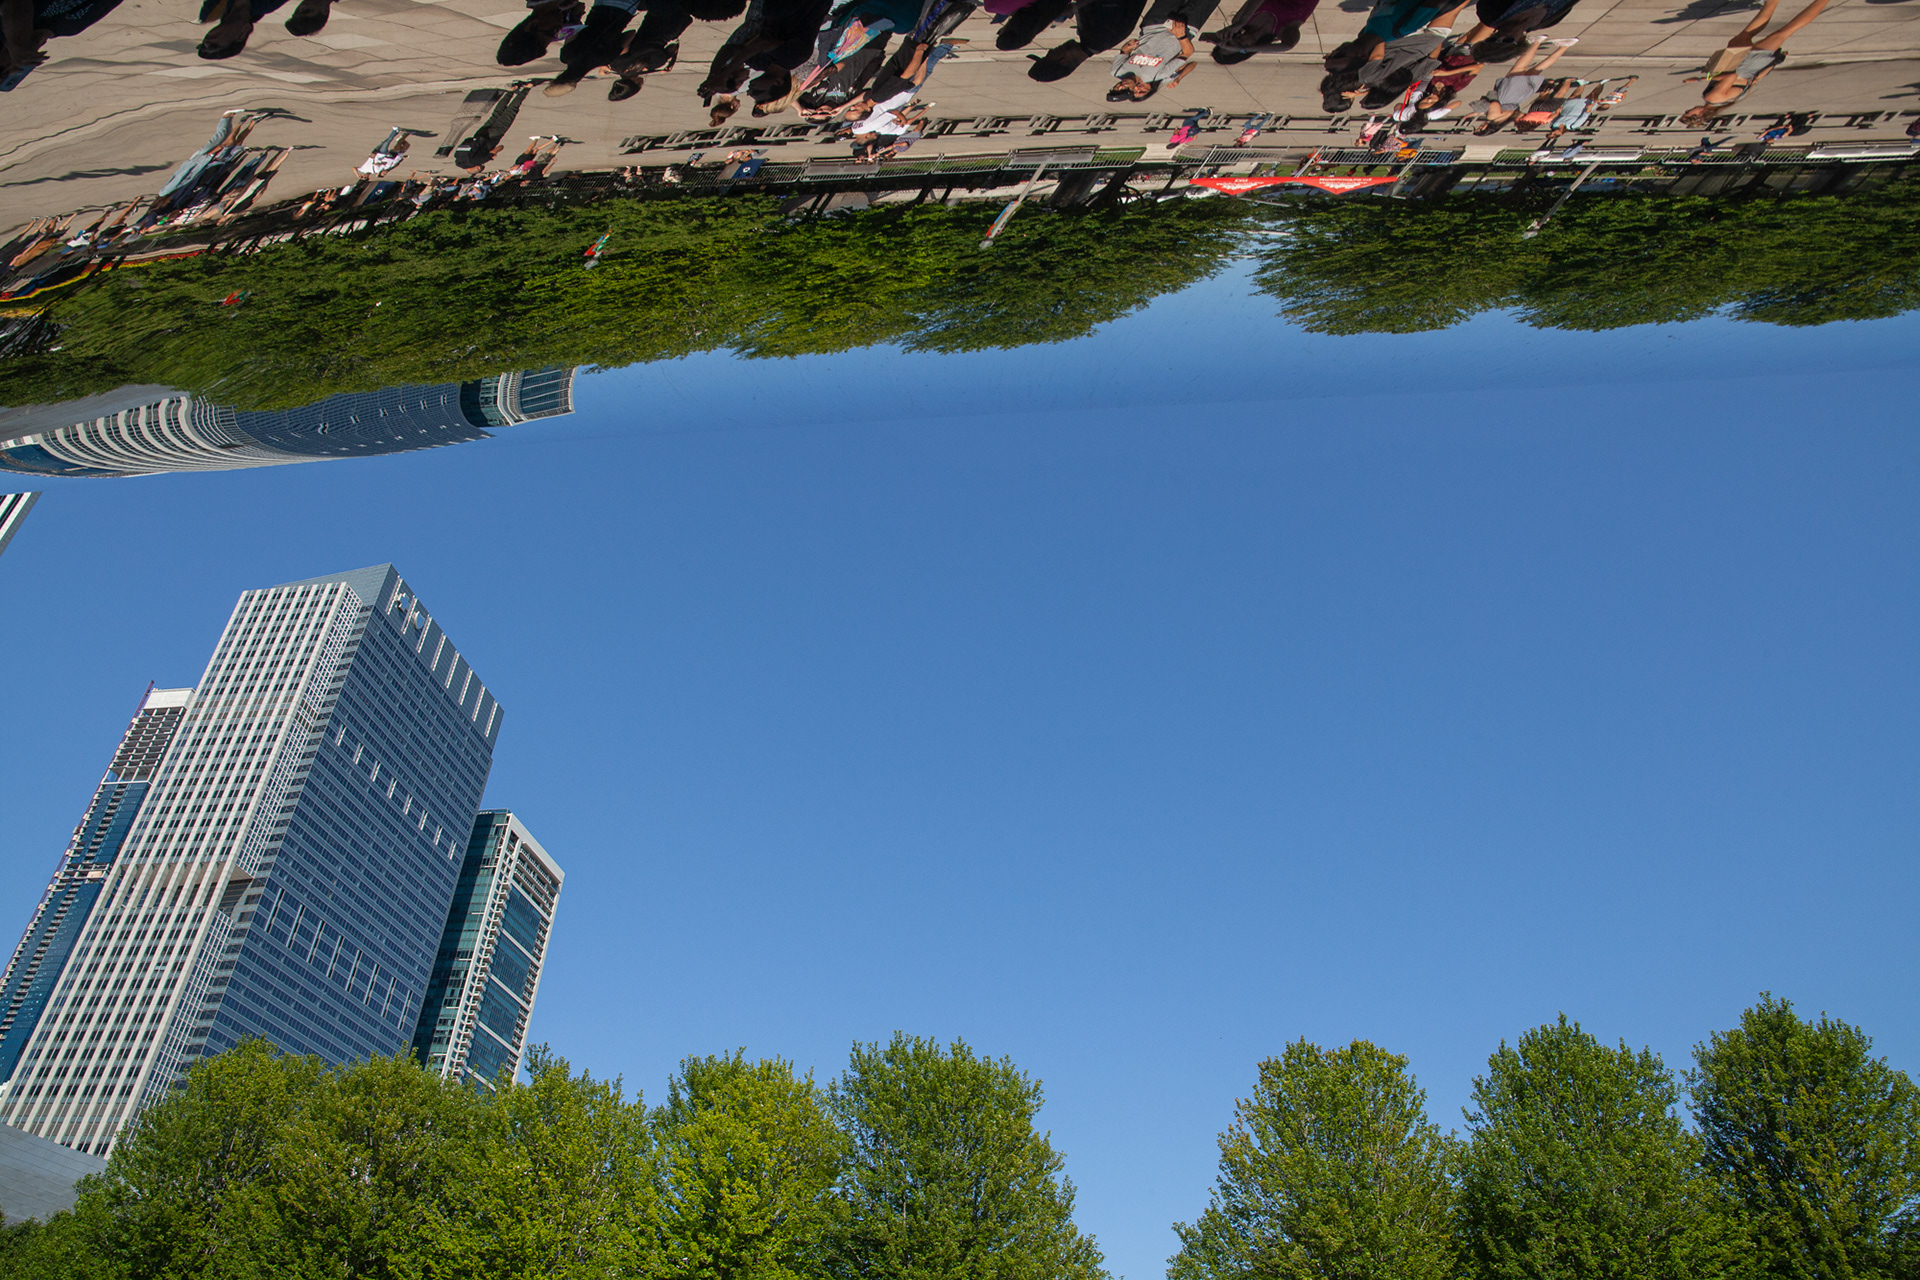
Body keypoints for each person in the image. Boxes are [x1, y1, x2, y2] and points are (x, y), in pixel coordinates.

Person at [1679, 0, 1830, 129]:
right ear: (1698, 115)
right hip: (1746, 63)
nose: (1688, 109)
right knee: (1785, 31)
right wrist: (1700, 79)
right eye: (1688, 112)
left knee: (1750, 35)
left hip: (1754, 66)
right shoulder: (1713, 98)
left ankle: (1771, 2)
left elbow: (1754, 81)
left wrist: (1774, 62)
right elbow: (1732, 77)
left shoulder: (1727, 103)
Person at [994, 0, 1150, 83]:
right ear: (1063, 59)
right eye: (1049, 54)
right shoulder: (1102, 35)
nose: (1052, 50)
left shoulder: (1093, 39)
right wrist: (1073, 7)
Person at [1458, 34, 1572, 133]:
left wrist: (1478, 112)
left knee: (1539, 68)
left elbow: (1504, 111)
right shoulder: (1491, 117)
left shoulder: (1503, 120)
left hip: (1520, 96)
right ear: (1488, 129)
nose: (1480, 126)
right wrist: (1480, 107)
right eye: (1480, 128)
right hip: (1508, 93)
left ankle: (1564, 46)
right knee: (1520, 66)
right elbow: (1494, 105)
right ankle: (1537, 42)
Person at [2, 0, 125, 76]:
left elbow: (16, 6)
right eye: (5, 75)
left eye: (2, 70)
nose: (13, 69)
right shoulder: (69, 27)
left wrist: (18, 41)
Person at [195, 0, 333, 59]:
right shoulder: (268, 4)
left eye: (202, 45)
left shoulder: (209, 13)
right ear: (241, 35)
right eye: (213, 46)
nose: (206, 42)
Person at [1201, 0, 1316, 62]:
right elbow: (1288, 45)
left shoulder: (1240, 20)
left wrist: (1239, 23)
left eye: (1231, 41)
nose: (1240, 39)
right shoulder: (1281, 32)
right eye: (1240, 44)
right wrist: (1244, 49)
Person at [1108, 19, 1194, 101]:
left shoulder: (1117, 72)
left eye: (1116, 87)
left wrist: (1130, 45)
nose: (1138, 88)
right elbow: (1190, 59)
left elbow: (1124, 51)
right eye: (1141, 92)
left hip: (1153, 25)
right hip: (1183, 30)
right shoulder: (1161, 77)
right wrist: (1179, 78)